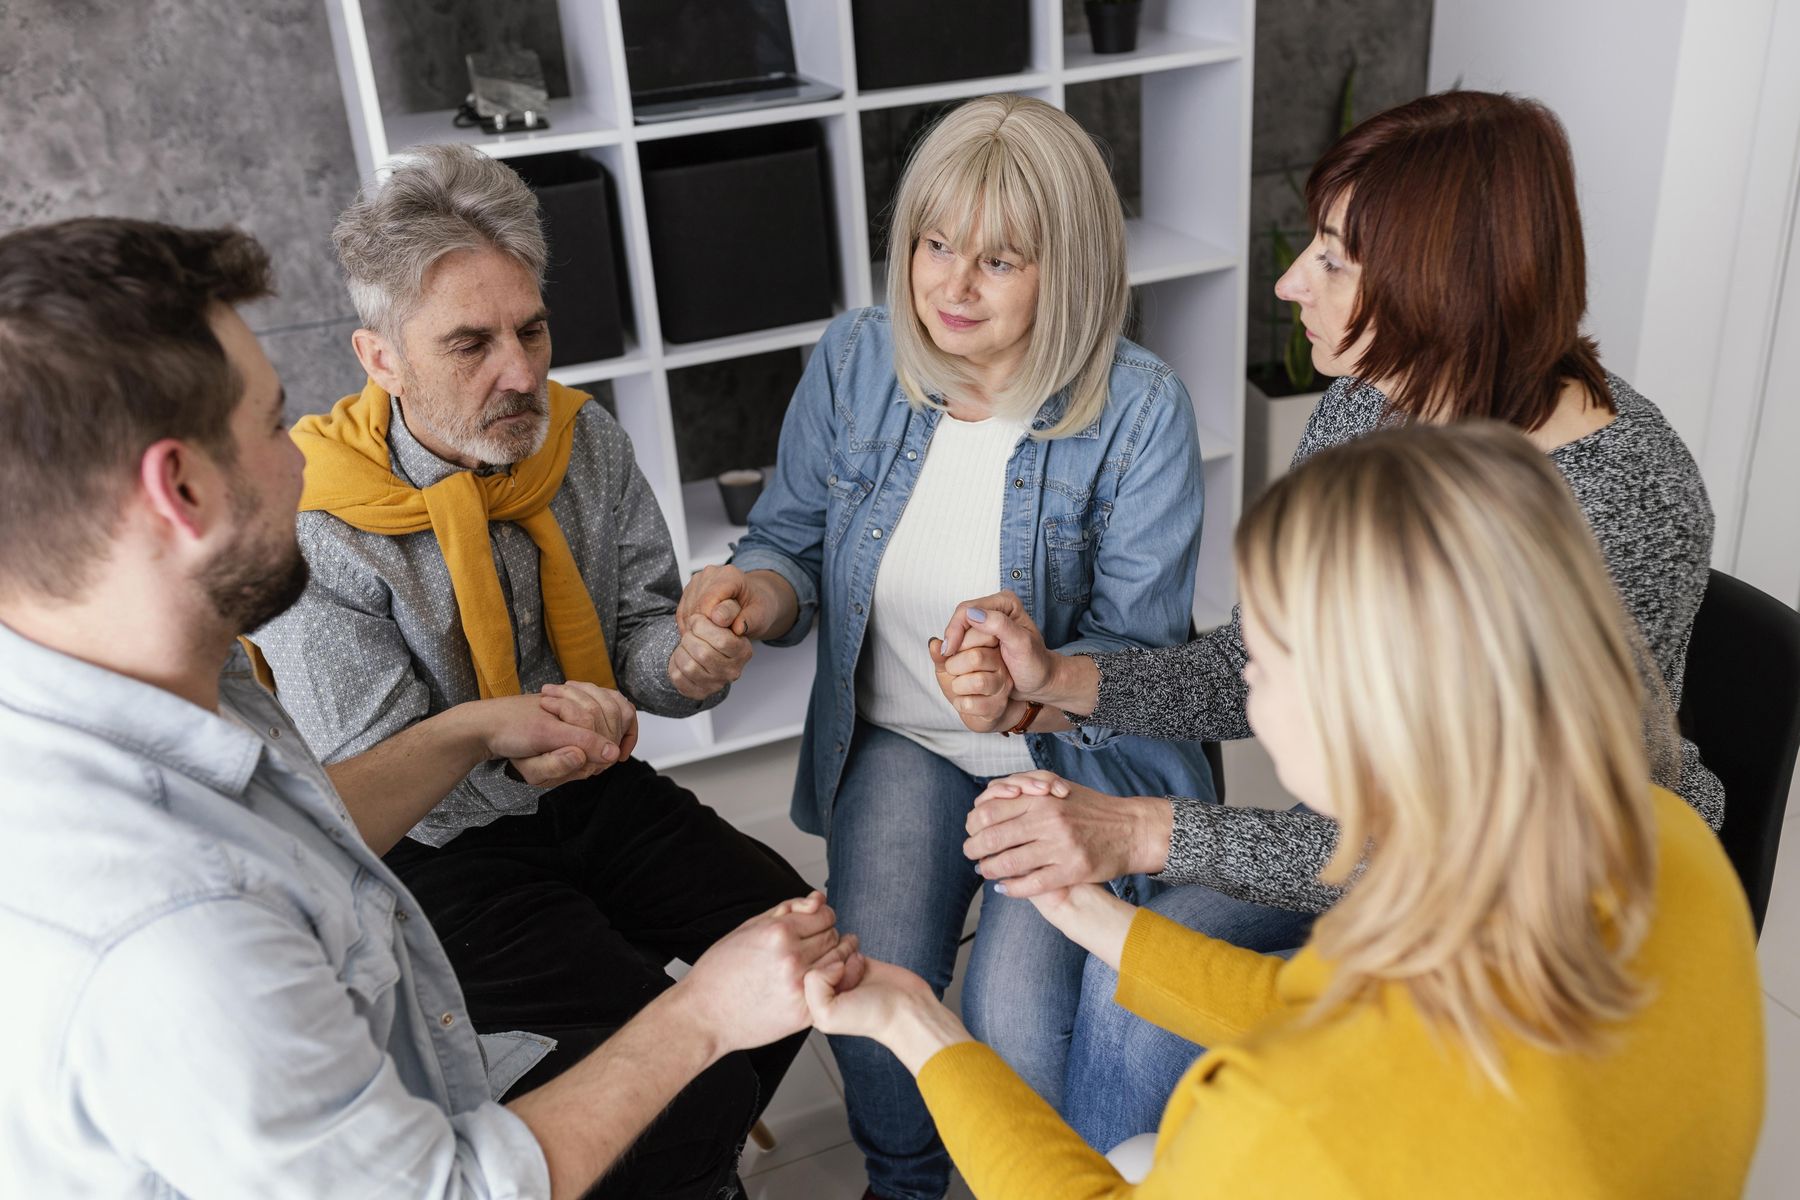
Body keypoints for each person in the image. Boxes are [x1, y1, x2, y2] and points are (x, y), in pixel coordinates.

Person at [0, 216, 856, 1199]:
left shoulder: (181, 685)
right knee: (684, 1100)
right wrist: (701, 1016)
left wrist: (483, 723)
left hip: (555, 813)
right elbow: (440, 1190)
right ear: (182, 490)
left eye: (531, 332)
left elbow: (318, 816)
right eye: (276, 424)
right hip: (454, 856)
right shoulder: (178, 931)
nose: (303, 457)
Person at [937, 89, 1723, 1150]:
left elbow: (1472, 849)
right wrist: (1064, 681)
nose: (1288, 280)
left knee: (1143, 1008)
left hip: (1531, 908)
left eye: (1335, 259)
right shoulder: (1374, 397)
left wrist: (1141, 829)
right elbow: (1260, 664)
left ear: (1445, 283)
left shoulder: (1620, 503)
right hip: (1388, 841)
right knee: (1092, 985)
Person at [808, 422, 1765, 1198]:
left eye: (1260, 657)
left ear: (1364, 702)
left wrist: (919, 1028)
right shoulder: (1672, 840)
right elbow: (1322, 1005)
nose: (1245, 679)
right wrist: (1088, 915)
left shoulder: (1284, 1124)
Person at [673, 94, 1218, 1200]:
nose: (951, 286)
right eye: (934, 244)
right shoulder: (856, 361)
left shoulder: (1141, 410)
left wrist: (1026, 698)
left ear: (1066, 270)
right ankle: (904, 1184)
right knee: (874, 993)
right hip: (901, 742)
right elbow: (789, 545)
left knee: (1012, 1038)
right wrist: (748, 598)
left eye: (1000, 261)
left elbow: (1145, 658)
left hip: (1067, 767)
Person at [247, 144, 813, 1196]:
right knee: (650, 1046)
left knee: (798, 940)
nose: (521, 372)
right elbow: (374, 784)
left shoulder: (581, 443)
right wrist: (520, 743)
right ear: (381, 359)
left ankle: (684, 1169)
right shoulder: (323, 522)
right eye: (471, 343)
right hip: (439, 848)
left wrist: (690, 661)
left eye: (532, 328)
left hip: (588, 792)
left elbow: (640, 636)